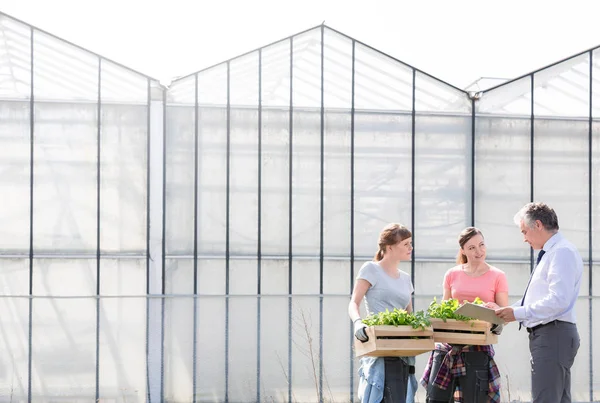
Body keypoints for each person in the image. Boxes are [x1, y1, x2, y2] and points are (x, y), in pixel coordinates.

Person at [495, 202, 582, 403]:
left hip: (553, 335)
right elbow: (538, 298)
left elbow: (558, 300)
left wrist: (517, 313)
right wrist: (506, 311)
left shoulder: (561, 252)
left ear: (539, 225)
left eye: (525, 231)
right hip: (552, 335)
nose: (524, 238)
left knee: (546, 399)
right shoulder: (552, 253)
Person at [420, 227, 507, 403]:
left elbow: (505, 315)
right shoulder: (452, 274)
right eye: (472, 247)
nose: (479, 251)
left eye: (482, 245)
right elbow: (444, 310)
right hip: (447, 348)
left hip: (477, 348)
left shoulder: (498, 276)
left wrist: (494, 310)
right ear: (463, 251)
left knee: (474, 399)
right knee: (437, 399)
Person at [349, 223, 416, 403]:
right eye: (406, 244)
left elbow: (410, 315)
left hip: (401, 350)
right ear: (390, 247)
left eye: (411, 243)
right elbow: (354, 302)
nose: (411, 247)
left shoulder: (405, 278)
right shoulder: (371, 269)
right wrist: (358, 323)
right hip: (379, 347)